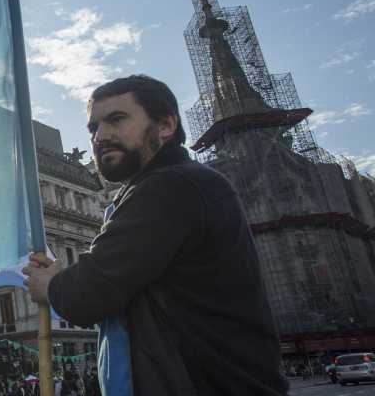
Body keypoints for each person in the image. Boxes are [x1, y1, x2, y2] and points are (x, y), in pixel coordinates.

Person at [23, 75, 288, 395]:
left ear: (165, 126)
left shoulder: (171, 186)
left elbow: (91, 292)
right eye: (94, 128)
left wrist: (51, 285)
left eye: (117, 120)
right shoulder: (170, 185)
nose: (101, 135)